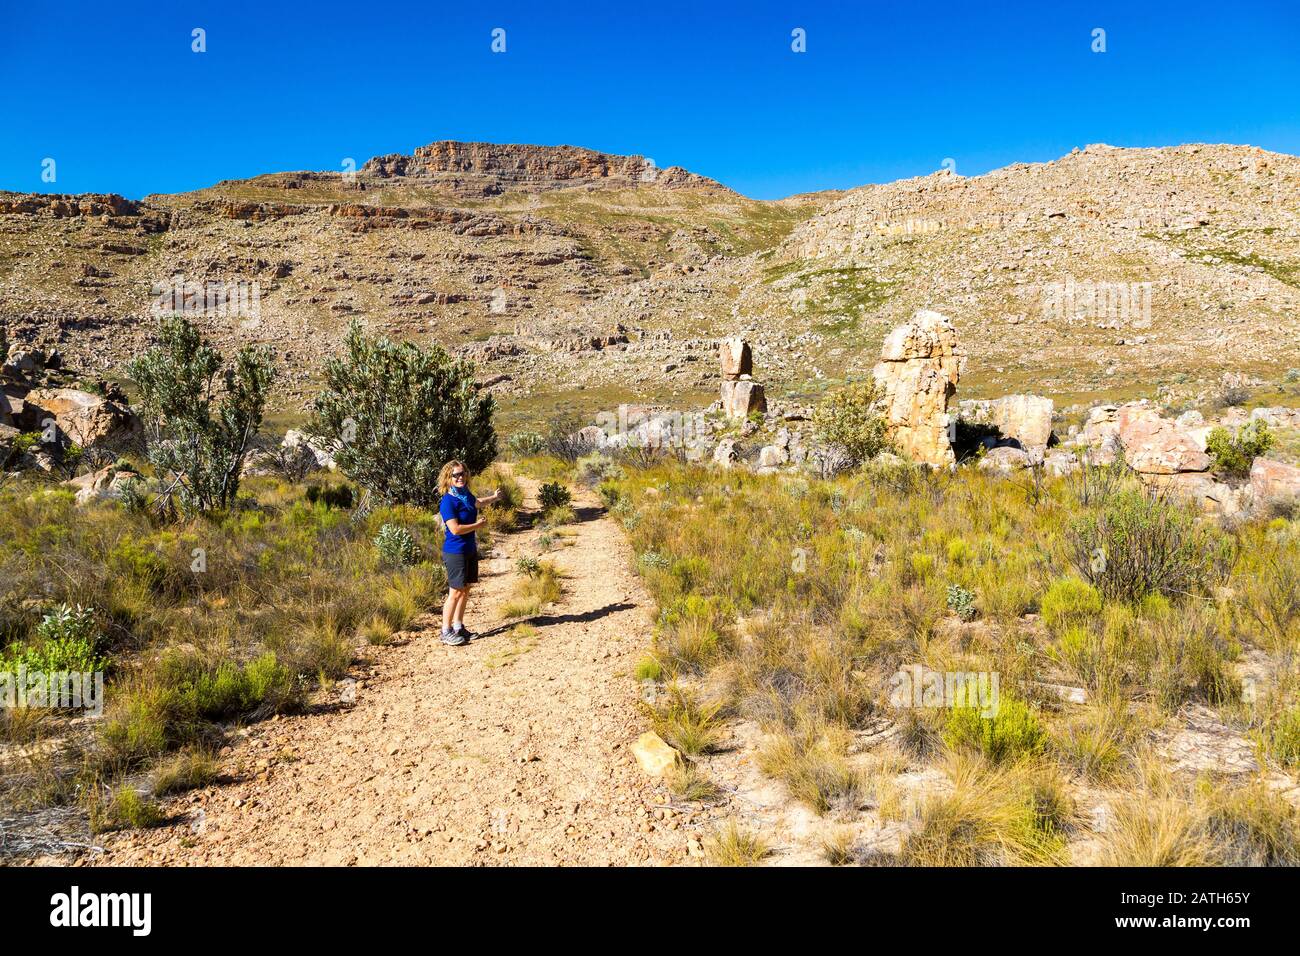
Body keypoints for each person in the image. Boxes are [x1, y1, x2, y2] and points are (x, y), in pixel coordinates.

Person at [437, 460, 501, 646]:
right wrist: (478, 525)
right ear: (448, 478)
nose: (460, 477)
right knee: (455, 592)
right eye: (455, 475)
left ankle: (459, 627)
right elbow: (455, 529)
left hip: (469, 549)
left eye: (462, 473)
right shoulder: (448, 501)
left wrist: (494, 497)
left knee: (465, 589)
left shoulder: (465, 495)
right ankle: (445, 631)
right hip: (455, 551)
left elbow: (478, 502)